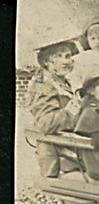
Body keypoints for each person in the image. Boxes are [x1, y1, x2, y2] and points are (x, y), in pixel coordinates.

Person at [26, 37, 83, 177]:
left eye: (68, 56)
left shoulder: (65, 81)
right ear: (46, 61)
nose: (66, 61)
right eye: (58, 56)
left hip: (74, 144)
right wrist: (75, 105)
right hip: (61, 152)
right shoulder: (43, 85)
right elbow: (46, 124)